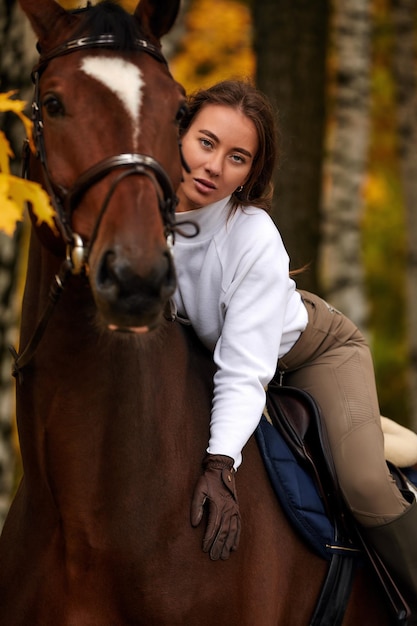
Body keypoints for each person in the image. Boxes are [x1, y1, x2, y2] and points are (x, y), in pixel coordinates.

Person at [172, 79, 417, 620]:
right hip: (226, 354)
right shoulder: (140, 210)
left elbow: (243, 371)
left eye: (237, 158)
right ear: (179, 133)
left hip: (310, 352)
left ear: (251, 173)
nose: (213, 166)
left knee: (364, 482)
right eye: (205, 142)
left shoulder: (251, 235)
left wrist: (220, 464)